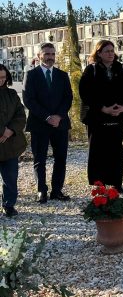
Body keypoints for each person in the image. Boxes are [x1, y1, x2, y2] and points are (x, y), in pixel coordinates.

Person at [79, 40, 123, 192]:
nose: (111, 53)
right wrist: (103, 108)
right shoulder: (91, 70)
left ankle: (116, 183)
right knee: (97, 150)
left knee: (115, 150)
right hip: (97, 117)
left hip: (118, 116)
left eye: (112, 50)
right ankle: (99, 184)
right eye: (107, 51)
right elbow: (85, 93)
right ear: (98, 53)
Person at [22, 42, 73, 203]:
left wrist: (58, 116)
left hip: (60, 124)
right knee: (40, 159)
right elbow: (28, 100)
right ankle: (41, 191)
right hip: (39, 124)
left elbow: (68, 98)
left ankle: (57, 190)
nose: (50, 57)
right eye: (46, 54)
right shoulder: (31, 75)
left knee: (60, 158)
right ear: (39, 56)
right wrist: (47, 117)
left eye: (52, 54)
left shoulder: (62, 75)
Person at [0, 65, 27, 216]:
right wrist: (1, 130)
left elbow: (21, 115)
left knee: (10, 177)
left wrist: (10, 130)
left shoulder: (12, 94)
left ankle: (9, 204)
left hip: (11, 144)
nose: (1, 80)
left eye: (3, 77)